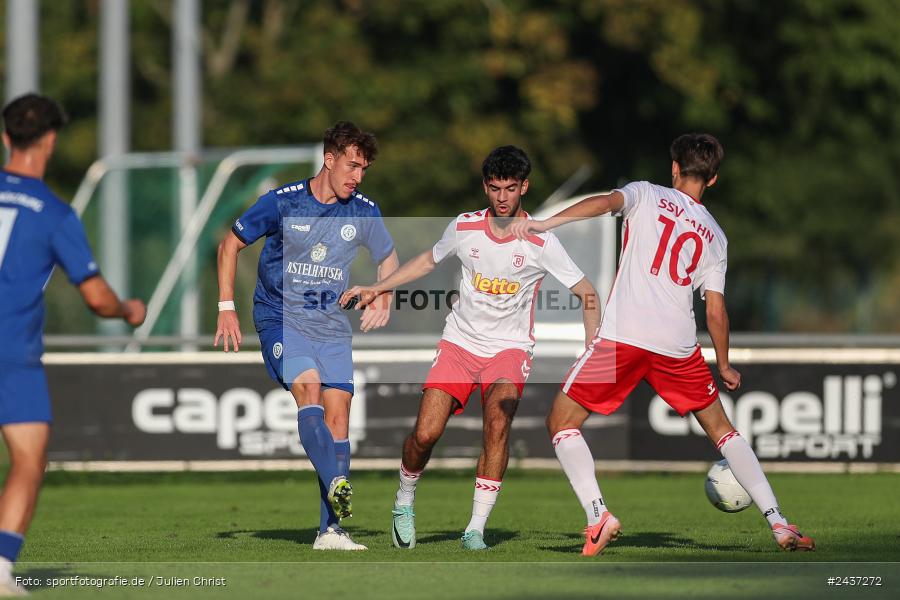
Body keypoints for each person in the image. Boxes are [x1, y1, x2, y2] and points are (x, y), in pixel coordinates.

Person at [509, 133, 815, 556]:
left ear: (674, 168)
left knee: (561, 423)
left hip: (624, 338)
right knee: (724, 432)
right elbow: (715, 311)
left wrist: (546, 222)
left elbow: (602, 203)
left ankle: (598, 514)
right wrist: (723, 364)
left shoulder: (645, 193)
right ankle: (780, 524)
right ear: (714, 180)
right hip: (677, 345)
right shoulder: (715, 235)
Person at [342, 145, 600, 550]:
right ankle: (404, 501)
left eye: (510, 189)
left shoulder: (541, 241)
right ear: (485, 187)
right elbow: (427, 260)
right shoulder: (464, 228)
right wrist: (377, 288)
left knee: (497, 426)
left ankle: (475, 528)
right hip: (459, 345)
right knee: (426, 434)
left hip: (510, 350)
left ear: (524, 188)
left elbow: (587, 293)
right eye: (495, 188)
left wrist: (593, 353)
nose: (502, 197)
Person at [215, 121, 398, 551]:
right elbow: (229, 245)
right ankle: (337, 481)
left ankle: (330, 532)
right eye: (352, 166)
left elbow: (388, 256)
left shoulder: (364, 210)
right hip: (281, 316)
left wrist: (381, 293)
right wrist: (226, 307)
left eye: (364, 169)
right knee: (309, 387)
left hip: (331, 323)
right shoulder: (282, 203)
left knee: (339, 420)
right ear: (329, 159)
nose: (358, 176)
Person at [0, 93, 146, 595]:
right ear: (51, 140)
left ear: (5, 138)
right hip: (11, 354)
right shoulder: (53, 212)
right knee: (28, 457)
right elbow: (98, 299)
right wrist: (128, 310)